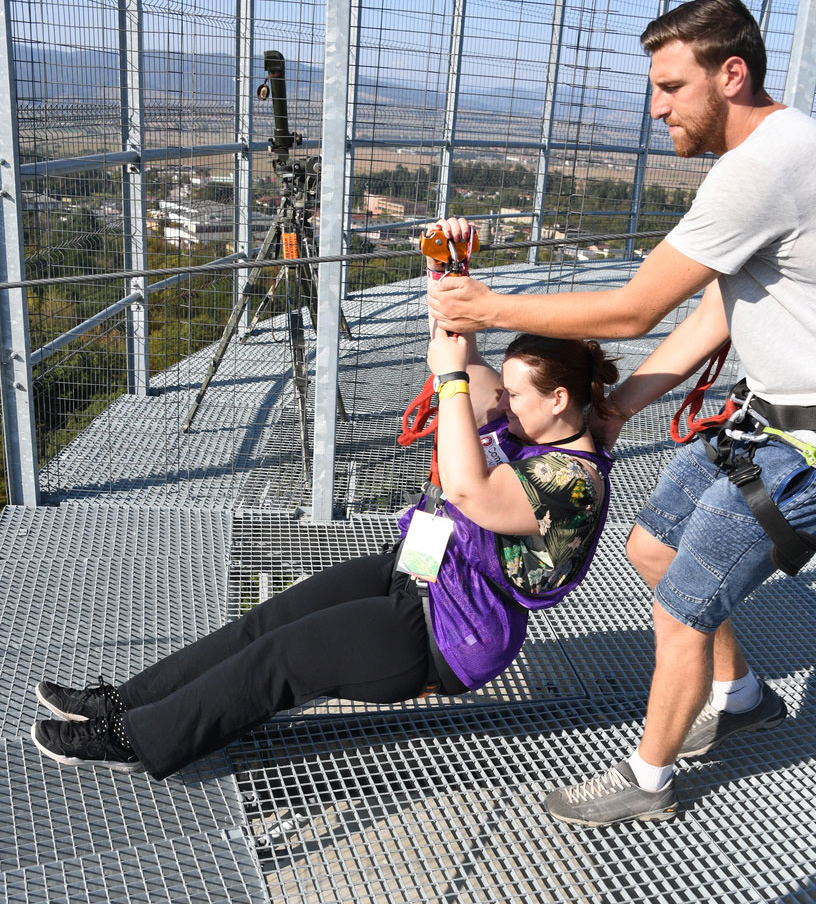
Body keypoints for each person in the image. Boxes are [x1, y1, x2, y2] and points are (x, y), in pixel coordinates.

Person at [427, 0, 816, 827]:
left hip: (807, 441)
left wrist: (488, 309)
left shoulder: (762, 168)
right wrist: (629, 402)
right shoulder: (777, 153)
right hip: (769, 413)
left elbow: (637, 309)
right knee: (652, 546)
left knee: (681, 606)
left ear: (732, 73)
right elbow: (723, 308)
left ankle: (648, 781)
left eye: (672, 86)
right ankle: (740, 694)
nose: (656, 107)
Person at [30, 293, 616, 780]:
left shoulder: (572, 487)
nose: (502, 403)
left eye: (515, 396)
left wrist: (456, 380)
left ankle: (137, 738)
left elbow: (467, 488)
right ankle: (126, 701)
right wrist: (452, 273)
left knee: (278, 662)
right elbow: (462, 359)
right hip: (418, 569)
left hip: (450, 630)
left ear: (559, 399)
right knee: (263, 624)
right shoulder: (541, 426)